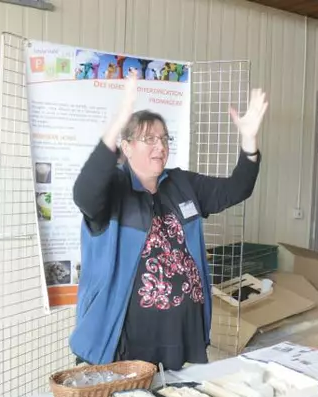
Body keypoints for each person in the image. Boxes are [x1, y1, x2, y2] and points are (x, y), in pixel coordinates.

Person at [69, 70, 268, 370]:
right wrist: (118, 121)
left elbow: (237, 188)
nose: (160, 147)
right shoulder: (113, 191)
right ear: (126, 146)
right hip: (129, 340)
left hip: (180, 333)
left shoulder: (182, 184)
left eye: (163, 138)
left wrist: (249, 141)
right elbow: (84, 192)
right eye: (149, 139)